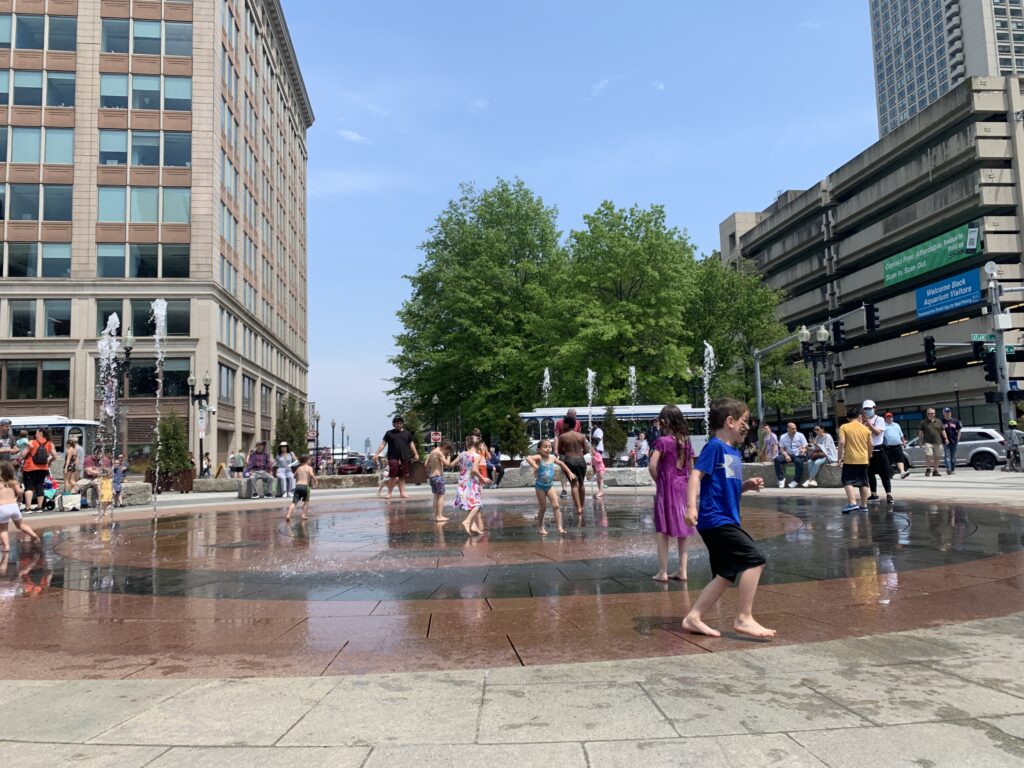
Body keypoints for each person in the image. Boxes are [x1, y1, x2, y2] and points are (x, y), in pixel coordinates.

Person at [681, 398, 774, 639]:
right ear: (730, 422)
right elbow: (695, 475)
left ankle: (694, 617)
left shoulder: (732, 452)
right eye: (744, 421)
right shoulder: (715, 447)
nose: (748, 427)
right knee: (756, 559)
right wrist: (691, 507)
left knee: (725, 573)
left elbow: (725, 487)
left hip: (726, 519)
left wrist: (745, 486)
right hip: (716, 519)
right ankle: (744, 617)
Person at [650, 404, 696, 582]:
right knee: (683, 530)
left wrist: (659, 481)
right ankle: (682, 571)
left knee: (662, 530)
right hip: (683, 486)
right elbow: (691, 467)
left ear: (663, 422)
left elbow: (652, 465)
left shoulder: (662, 442)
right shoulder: (686, 441)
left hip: (667, 488)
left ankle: (662, 572)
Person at [526, 438, 574, 535]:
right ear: (539, 449)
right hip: (540, 487)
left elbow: (561, 463)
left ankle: (560, 527)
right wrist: (535, 466)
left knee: (556, 506)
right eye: (545, 447)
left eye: (550, 447)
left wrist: (569, 472)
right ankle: (540, 527)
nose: (548, 449)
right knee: (543, 507)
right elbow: (528, 458)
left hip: (549, 486)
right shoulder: (539, 457)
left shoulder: (552, 458)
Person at [374, 416, 420, 500]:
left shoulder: (407, 433)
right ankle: (389, 493)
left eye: (400, 423)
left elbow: (411, 444)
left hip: (404, 457)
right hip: (393, 457)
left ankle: (402, 493)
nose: (399, 425)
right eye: (397, 423)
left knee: (402, 476)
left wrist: (416, 454)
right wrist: (376, 453)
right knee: (393, 476)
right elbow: (383, 444)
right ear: (394, 424)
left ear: (402, 423)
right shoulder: (389, 433)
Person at [838, 405, 873, 514]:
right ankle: (864, 505)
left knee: (847, 481)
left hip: (850, 459)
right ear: (859, 416)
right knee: (863, 482)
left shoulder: (844, 427)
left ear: (848, 418)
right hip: (863, 459)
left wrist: (839, 457)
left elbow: (842, 442)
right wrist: (869, 455)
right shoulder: (866, 429)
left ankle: (852, 503)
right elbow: (871, 444)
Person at [0, 462, 41, 552]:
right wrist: (18, 497)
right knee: (21, 525)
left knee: (3, 529)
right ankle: (33, 535)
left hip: (2, 508)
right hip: (13, 506)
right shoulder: (13, 482)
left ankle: (6, 547)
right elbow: (20, 491)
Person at [453, 435, 490, 535]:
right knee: (477, 504)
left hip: (462, 482)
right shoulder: (477, 456)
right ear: (478, 445)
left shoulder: (462, 454)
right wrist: (483, 479)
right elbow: (474, 470)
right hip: (471, 482)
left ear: (467, 444)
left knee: (470, 504)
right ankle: (467, 521)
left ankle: (473, 526)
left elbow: (451, 464)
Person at [861, 400, 894, 505]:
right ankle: (874, 493)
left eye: (869, 409)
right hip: (867, 449)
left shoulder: (879, 419)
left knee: (884, 473)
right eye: (865, 409)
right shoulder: (861, 421)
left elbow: (877, 433)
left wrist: (869, 424)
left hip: (879, 449)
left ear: (874, 408)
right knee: (869, 473)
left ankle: (888, 494)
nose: (867, 411)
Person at [558, 415, 591, 515]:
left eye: (563, 423)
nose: (562, 425)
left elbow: (559, 451)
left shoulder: (562, 437)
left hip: (569, 461)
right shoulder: (581, 436)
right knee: (581, 483)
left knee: (573, 484)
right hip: (581, 461)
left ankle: (578, 508)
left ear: (567, 424)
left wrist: (568, 453)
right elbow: (586, 451)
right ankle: (582, 506)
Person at [19, 429, 56, 514]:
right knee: (40, 486)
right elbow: (55, 456)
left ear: (40, 433)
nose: (35, 434)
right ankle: (40, 507)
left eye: (36, 432)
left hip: (30, 467)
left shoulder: (32, 442)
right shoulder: (49, 443)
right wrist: (49, 462)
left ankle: (28, 508)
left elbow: (23, 454)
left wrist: (20, 459)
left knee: (29, 487)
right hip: (43, 468)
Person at [554, 408, 582, 498]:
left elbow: (579, 436)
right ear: (567, 414)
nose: (574, 417)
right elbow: (556, 436)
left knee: (575, 469)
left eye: (575, 415)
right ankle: (564, 489)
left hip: (575, 451)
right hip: (563, 451)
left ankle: (575, 487)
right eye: (572, 416)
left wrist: (580, 449)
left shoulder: (577, 422)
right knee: (563, 470)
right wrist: (555, 449)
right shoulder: (559, 423)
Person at [425, 440, 455, 522]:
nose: (446, 452)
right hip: (438, 477)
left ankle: (435, 515)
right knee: (441, 496)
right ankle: (439, 516)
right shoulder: (439, 453)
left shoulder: (432, 452)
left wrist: (433, 466)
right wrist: (448, 457)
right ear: (445, 447)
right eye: (447, 451)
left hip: (432, 477)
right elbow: (447, 464)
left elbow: (425, 464)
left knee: (436, 496)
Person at [774, 422, 807, 488]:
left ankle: (796, 481)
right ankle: (781, 479)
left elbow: (805, 446)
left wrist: (803, 450)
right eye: (792, 429)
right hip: (788, 454)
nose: (794, 430)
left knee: (798, 461)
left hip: (798, 454)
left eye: (795, 428)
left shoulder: (800, 435)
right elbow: (781, 449)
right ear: (788, 429)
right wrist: (786, 455)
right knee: (777, 459)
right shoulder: (783, 437)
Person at [285, 455, 318, 521]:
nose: (310, 461)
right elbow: (311, 474)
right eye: (310, 459)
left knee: (294, 502)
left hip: (298, 486)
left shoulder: (299, 468)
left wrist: (299, 478)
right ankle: (303, 515)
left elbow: (294, 476)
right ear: (307, 460)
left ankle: (288, 515)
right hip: (305, 487)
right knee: (306, 502)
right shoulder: (309, 468)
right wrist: (316, 480)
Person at [918, 408, 944, 477]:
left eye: (931, 413)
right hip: (927, 442)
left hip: (938, 442)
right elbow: (920, 433)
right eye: (928, 414)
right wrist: (920, 441)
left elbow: (943, 430)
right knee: (928, 454)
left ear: (934, 414)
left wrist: (946, 438)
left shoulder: (939, 421)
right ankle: (928, 469)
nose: (930, 415)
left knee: (937, 456)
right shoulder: (923, 422)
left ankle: (935, 471)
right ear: (927, 414)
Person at [882, 413, 910, 479]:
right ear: (885, 419)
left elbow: (901, 435)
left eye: (890, 417)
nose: (889, 418)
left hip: (897, 445)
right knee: (887, 461)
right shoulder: (883, 426)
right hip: (887, 446)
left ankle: (902, 472)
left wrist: (904, 442)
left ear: (892, 418)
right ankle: (890, 473)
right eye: (887, 417)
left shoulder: (897, 425)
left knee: (900, 459)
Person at [941, 407, 962, 475]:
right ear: (943, 413)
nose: (948, 413)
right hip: (945, 442)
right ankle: (948, 469)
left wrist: (958, 439)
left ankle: (952, 469)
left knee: (953, 457)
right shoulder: (941, 422)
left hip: (954, 441)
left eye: (949, 412)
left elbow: (959, 430)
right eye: (946, 412)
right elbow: (940, 431)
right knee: (947, 456)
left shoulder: (955, 421)